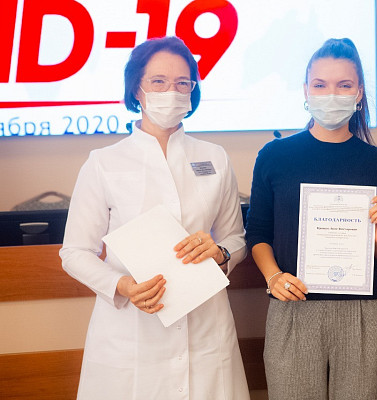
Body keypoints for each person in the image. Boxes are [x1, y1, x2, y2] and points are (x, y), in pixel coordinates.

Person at [59, 36, 250, 400]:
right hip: (131, 331)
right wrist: (122, 286)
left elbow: (235, 238)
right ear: (137, 88)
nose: (171, 92)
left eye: (182, 83)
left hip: (205, 324)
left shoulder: (215, 158)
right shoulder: (103, 162)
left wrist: (220, 252)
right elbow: (75, 252)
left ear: (192, 91)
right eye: (158, 81)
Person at [245, 38, 377, 400]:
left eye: (344, 85)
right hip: (293, 308)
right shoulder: (275, 156)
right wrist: (273, 276)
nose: (332, 94)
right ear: (306, 91)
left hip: (362, 314)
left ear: (359, 93)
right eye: (320, 84)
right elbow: (258, 232)